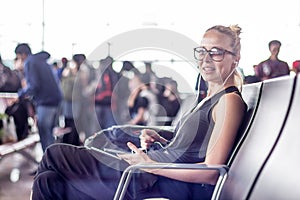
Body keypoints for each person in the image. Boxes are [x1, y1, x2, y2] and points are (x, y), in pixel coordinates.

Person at [31, 24, 247, 200]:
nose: (206, 59)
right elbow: (194, 147)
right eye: (202, 51)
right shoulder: (208, 99)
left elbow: (210, 172)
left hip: (155, 182)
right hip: (149, 171)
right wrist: (162, 139)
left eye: (216, 52)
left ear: (235, 58)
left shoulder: (229, 101)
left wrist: (152, 166)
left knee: (54, 154)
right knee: (48, 182)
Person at [15, 43, 62, 152]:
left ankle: (49, 162)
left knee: (44, 133)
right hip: (55, 100)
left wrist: (20, 95)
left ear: (22, 54)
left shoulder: (30, 62)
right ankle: (53, 160)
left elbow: (34, 85)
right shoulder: (41, 61)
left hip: (46, 101)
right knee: (49, 133)